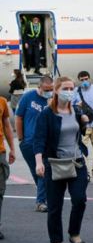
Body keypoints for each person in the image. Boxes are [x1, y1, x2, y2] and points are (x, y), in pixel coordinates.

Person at [33, 77, 89, 243]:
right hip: (55, 163)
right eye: (66, 88)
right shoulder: (47, 114)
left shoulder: (77, 111)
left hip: (77, 161)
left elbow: (80, 132)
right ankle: (56, 240)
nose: (69, 91)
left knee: (80, 200)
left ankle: (74, 233)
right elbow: (39, 139)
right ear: (56, 90)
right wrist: (38, 162)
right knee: (55, 205)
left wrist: (85, 121)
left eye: (72, 88)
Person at [16, 75, 53, 212]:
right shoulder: (28, 97)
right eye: (46, 89)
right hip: (28, 142)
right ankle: (45, 196)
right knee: (36, 172)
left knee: (43, 171)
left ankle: (41, 201)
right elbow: (19, 117)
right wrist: (21, 139)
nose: (49, 91)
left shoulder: (53, 100)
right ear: (39, 87)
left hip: (45, 143)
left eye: (51, 89)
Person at [0, 94, 15, 240]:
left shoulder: (2, 101)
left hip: (0, 152)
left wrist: (12, 149)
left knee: (0, 191)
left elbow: (6, 125)